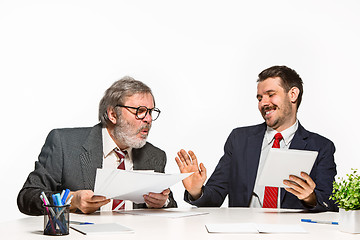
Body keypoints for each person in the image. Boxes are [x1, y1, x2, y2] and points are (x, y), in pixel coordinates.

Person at [175, 65, 337, 212]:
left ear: (293, 94)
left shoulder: (321, 146)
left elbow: (331, 203)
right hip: (245, 231)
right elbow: (215, 196)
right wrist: (196, 191)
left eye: (270, 95)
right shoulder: (239, 139)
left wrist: (310, 197)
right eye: (259, 98)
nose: (263, 103)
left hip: (293, 232)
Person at [18, 76, 177, 216]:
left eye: (151, 111)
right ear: (113, 115)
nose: (148, 119)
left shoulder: (155, 156)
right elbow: (27, 197)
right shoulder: (64, 144)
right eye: (140, 111)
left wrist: (162, 202)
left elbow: (169, 207)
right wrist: (72, 201)